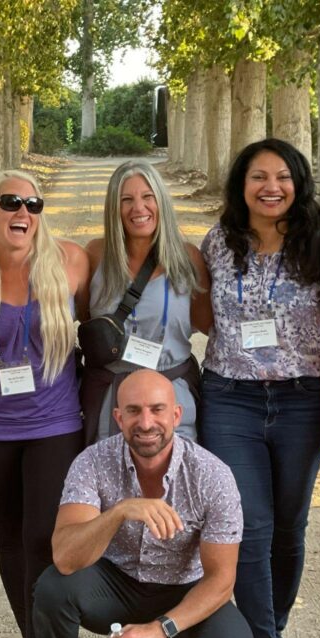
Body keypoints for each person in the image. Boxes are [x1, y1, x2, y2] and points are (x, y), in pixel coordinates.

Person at [7, 370, 250, 638]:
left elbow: (221, 580)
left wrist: (159, 631)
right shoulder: (92, 462)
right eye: (133, 411)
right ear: (118, 417)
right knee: (53, 586)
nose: (146, 422)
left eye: (157, 410)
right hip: (114, 584)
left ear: (176, 415)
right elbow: (66, 557)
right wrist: (119, 511)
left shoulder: (212, 475)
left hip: (182, 589)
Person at [197, 138, 320, 638]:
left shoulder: (319, 246)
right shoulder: (216, 243)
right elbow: (194, 307)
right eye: (259, 176)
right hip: (230, 397)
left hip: (305, 400)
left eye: (282, 176)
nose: (271, 187)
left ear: (298, 184)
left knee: (289, 525)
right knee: (250, 525)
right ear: (242, 185)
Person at [0, 170, 89, 638]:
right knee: (8, 533)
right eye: (9, 201)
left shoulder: (71, 262)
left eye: (32, 203)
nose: (23, 212)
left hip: (53, 423)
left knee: (43, 535)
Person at [81, 160, 207, 444]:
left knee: (172, 484)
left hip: (171, 394)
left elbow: (206, 321)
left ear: (160, 200)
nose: (139, 208)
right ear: (114, 207)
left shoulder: (188, 260)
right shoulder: (95, 256)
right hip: (112, 400)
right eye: (127, 200)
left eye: (147, 197)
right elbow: (83, 314)